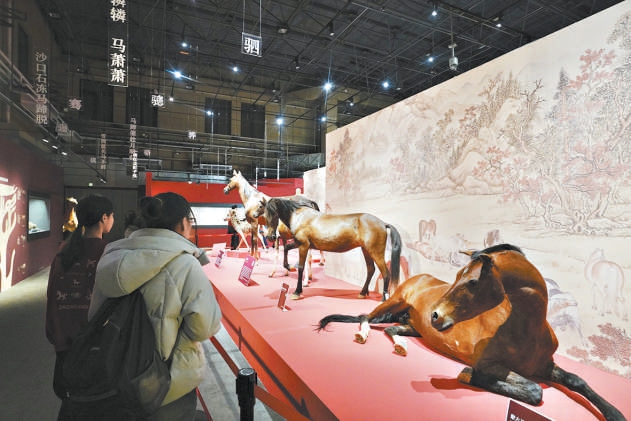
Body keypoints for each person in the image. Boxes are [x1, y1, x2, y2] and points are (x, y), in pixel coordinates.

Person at [90, 192, 222, 420]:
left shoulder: (111, 257)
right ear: (184, 223)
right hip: (164, 382)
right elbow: (203, 328)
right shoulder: (185, 264)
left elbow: (94, 314)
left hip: (112, 373)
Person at [46, 194, 115, 420]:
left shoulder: (63, 251)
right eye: (111, 216)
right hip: (96, 349)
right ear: (104, 218)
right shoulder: (109, 251)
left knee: (73, 404)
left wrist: (56, 335)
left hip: (65, 346)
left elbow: (52, 297)